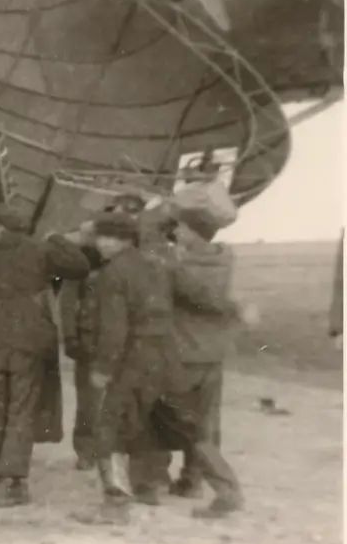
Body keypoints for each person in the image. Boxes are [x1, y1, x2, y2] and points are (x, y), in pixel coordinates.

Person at [74, 212, 249, 526]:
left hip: (132, 361)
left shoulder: (112, 274)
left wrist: (103, 367)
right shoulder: (160, 264)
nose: (98, 244)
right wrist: (237, 309)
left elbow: (114, 329)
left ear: (119, 240)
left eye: (102, 237)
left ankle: (116, 503)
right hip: (165, 358)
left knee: (109, 428)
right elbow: (201, 296)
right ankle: (228, 491)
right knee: (187, 425)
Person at [0, 205, 92, 507]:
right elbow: (80, 266)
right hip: (29, 337)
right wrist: (56, 239)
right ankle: (11, 481)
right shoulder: (41, 251)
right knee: (21, 409)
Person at [163, 208, 237, 501]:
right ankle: (193, 479)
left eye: (181, 228)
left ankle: (160, 480)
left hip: (182, 346)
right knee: (207, 418)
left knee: (173, 416)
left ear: (192, 231)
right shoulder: (226, 258)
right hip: (214, 348)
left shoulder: (175, 263)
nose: (177, 232)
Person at [58, 238, 106, 470]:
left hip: (117, 341)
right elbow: (67, 303)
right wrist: (70, 337)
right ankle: (86, 451)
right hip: (89, 342)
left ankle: (110, 451)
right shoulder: (81, 260)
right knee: (88, 401)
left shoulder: (123, 260)